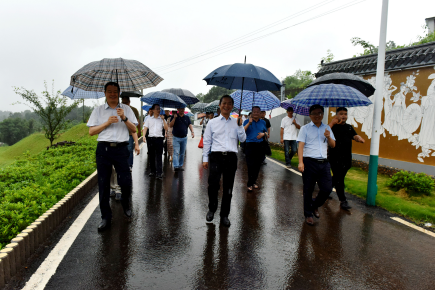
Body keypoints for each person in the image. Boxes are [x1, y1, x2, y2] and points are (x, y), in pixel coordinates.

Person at [87, 82, 139, 231]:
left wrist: (124, 118)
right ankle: (105, 217)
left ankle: (126, 204)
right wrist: (107, 123)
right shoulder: (98, 110)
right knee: (103, 184)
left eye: (115, 91)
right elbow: (91, 132)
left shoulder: (126, 109)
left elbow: (134, 128)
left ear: (119, 93)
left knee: (126, 181)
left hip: (121, 149)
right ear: (105, 93)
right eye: (109, 91)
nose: (112, 94)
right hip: (103, 149)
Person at [203, 95, 246, 227]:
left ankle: (224, 215)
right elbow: (207, 141)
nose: (226, 106)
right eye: (224, 103)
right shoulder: (212, 122)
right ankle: (212, 208)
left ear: (232, 106)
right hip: (216, 157)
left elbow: (243, 140)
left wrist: (240, 126)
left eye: (229, 104)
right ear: (220, 105)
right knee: (213, 185)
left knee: (228, 188)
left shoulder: (237, 122)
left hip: (231, 158)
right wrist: (205, 158)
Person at [297, 104, 335, 226]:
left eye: (319, 113)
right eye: (314, 113)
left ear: (322, 114)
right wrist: (301, 162)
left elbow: (333, 145)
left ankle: (314, 205)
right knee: (308, 189)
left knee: (327, 188)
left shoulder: (327, 128)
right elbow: (301, 146)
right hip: (309, 162)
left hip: (324, 163)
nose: (317, 116)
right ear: (310, 115)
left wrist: (329, 137)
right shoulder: (305, 128)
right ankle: (308, 214)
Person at [328, 107, 365, 210]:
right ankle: (343, 201)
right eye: (341, 114)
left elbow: (354, 135)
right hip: (335, 157)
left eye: (345, 114)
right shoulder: (332, 127)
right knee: (339, 179)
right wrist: (332, 123)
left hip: (346, 158)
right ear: (336, 115)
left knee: (337, 178)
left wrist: (359, 138)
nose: (343, 116)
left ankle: (326, 190)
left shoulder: (349, 127)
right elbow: (324, 133)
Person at [243, 107, 268, 191]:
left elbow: (267, 133)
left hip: (260, 145)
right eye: (254, 112)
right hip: (250, 145)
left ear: (260, 113)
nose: (256, 113)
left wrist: (263, 134)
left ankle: (254, 182)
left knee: (257, 165)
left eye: (258, 112)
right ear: (252, 113)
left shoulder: (263, 122)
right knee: (250, 165)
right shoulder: (247, 121)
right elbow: (242, 132)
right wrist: (249, 124)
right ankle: (249, 184)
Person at [143, 104, 168, 179]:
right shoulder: (149, 119)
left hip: (159, 139)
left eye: (159, 109)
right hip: (151, 139)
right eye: (157, 109)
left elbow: (166, 128)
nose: (158, 110)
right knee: (152, 156)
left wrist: (163, 120)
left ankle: (159, 173)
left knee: (159, 156)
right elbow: (145, 128)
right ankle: (153, 171)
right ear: (153, 110)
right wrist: (144, 136)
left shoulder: (162, 119)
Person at [168, 107, 195, 171]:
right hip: (176, 138)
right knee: (176, 152)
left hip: (184, 138)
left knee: (182, 153)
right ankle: (176, 166)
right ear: (178, 109)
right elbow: (170, 125)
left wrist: (192, 131)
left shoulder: (187, 117)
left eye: (183, 108)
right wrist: (174, 118)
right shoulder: (174, 116)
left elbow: (190, 124)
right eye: (180, 108)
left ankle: (180, 165)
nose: (182, 110)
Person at [121, 96, 141, 171]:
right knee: (122, 150)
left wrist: (139, 130)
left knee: (129, 149)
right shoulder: (119, 110)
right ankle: (124, 164)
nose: (124, 104)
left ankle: (130, 165)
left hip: (130, 133)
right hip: (122, 133)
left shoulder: (134, 110)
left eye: (126, 102)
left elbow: (137, 122)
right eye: (123, 102)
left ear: (129, 102)